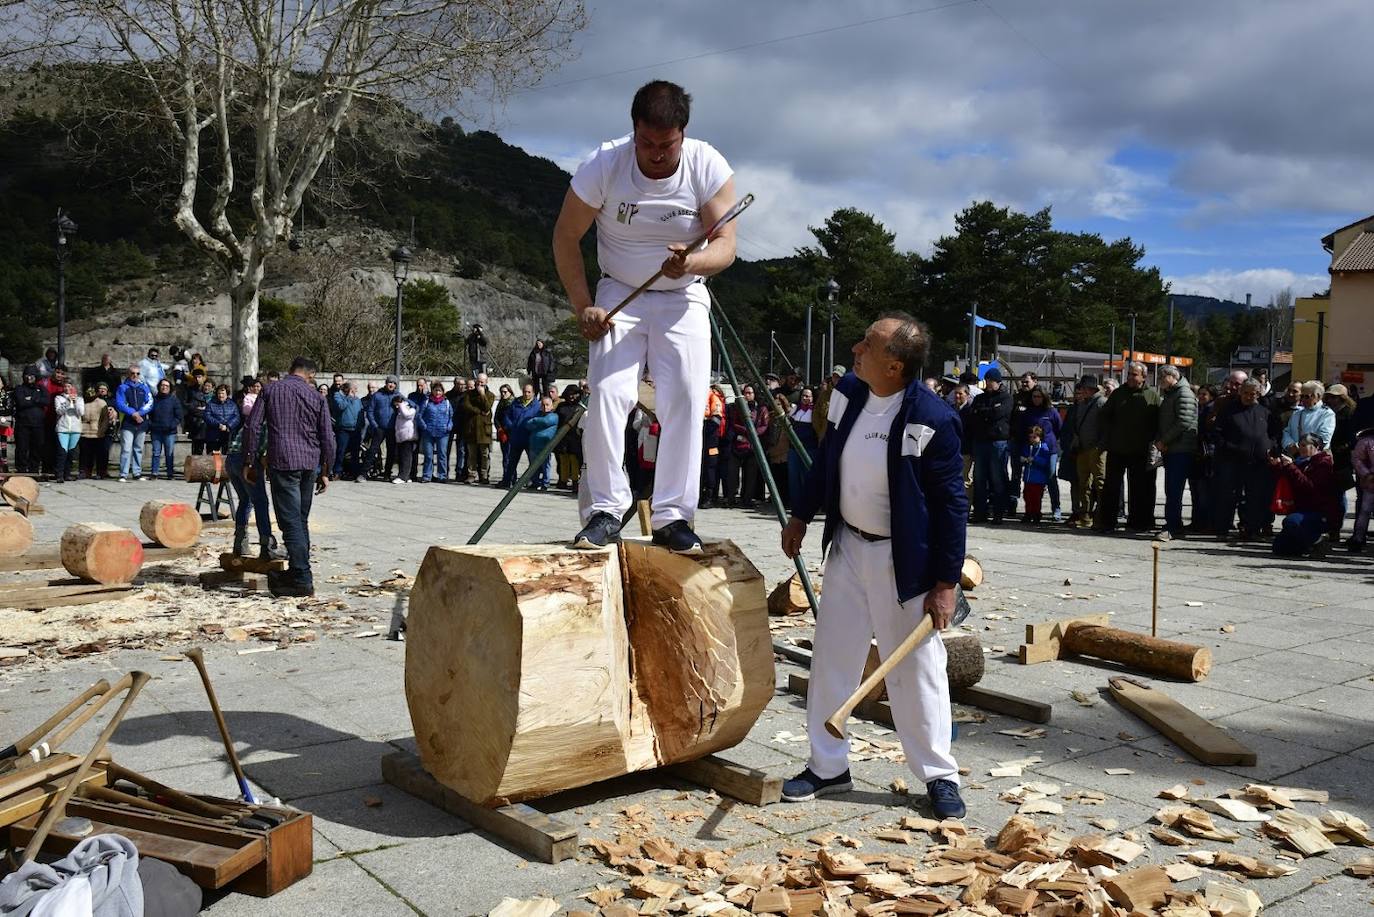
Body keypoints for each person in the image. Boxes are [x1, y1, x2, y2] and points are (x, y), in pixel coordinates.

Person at [779, 314, 966, 819]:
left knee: (917, 668)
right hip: (847, 549)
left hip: (902, 562)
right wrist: (800, 514)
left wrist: (945, 583)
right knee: (832, 657)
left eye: (869, 344)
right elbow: (826, 460)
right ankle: (827, 766)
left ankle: (938, 775)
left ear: (894, 364)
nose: (856, 348)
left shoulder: (934, 418)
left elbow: (952, 505)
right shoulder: (850, 393)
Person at [553, 79, 737, 554]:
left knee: (686, 399)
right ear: (634, 130)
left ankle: (673, 515)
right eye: (647, 143)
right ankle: (606, 510)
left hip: (683, 293)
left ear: (683, 134)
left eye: (666, 145)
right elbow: (564, 238)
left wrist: (690, 262)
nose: (655, 154)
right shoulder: (603, 164)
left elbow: (726, 247)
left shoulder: (706, 165)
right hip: (619, 293)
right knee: (610, 394)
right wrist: (583, 307)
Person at [244, 356, 335, 597]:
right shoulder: (317, 396)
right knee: (300, 520)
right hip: (309, 463)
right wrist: (326, 470)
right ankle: (298, 571)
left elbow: (252, 426)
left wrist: (250, 460)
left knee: (290, 522)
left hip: (283, 461)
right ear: (311, 374)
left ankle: (302, 578)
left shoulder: (271, 390)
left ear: (290, 369)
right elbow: (328, 435)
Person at [1095, 362, 1161, 533]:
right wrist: (1108, 436)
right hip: (1117, 449)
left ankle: (1138, 522)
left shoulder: (1152, 395)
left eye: (1134, 374)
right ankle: (1107, 522)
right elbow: (1104, 416)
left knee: (1140, 489)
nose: (1131, 377)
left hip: (1140, 451)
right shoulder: (1119, 393)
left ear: (1144, 377)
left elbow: (1157, 421)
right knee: (1111, 487)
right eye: (1129, 374)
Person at [1212, 379, 1278, 541]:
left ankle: (1251, 529)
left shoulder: (1265, 411)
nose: (1249, 396)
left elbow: (1274, 433)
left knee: (1254, 497)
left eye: (1253, 394)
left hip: (1258, 462)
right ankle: (1222, 529)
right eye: (1246, 393)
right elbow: (1217, 433)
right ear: (1241, 392)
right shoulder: (1229, 410)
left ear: (1258, 394)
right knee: (1228, 496)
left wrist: (1271, 447)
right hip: (1232, 460)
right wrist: (1229, 447)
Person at [1271, 434, 1340, 557]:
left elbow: (1309, 487)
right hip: (1301, 510)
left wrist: (1291, 467)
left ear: (1316, 447)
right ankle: (1308, 545)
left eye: (1304, 445)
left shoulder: (1324, 464)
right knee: (1280, 548)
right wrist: (1277, 465)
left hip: (1320, 512)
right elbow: (1288, 480)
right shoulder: (1301, 462)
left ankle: (1318, 542)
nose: (1300, 448)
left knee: (1291, 521)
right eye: (1299, 445)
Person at [1156, 366, 1198, 541]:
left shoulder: (1183, 394)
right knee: (1171, 489)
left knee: (1174, 490)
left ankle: (1172, 526)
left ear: (1172, 376)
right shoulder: (1173, 393)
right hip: (1173, 448)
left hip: (1180, 450)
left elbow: (1184, 421)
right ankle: (1175, 524)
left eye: (1161, 378)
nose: (1159, 382)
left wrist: (1164, 440)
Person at [967, 367, 1012, 524]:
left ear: (998, 382)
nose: (987, 384)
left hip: (997, 442)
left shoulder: (1006, 398)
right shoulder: (980, 398)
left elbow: (999, 414)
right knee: (979, 479)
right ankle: (980, 512)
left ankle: (998, 512)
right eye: (986, 381)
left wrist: (984, 412)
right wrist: (988, 411)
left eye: (990, 381)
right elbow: (973, 414)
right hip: (980, 442)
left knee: (997, 479)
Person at [1019, 385, 1063, 522]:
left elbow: (1058, 428)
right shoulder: (1028, 412)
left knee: (1050, 477)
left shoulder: (1051, 411)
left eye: (1039, 396)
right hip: (1032, 448)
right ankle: (1031, 511)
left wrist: (1050, 441)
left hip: (1049, 449)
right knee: (1031, 483)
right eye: (1034, 396)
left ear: (1044, 397)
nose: (1036, 399)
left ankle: (1056, 507)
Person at [499, 383, 540, 488]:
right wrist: (511, 426)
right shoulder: (516, 402)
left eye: (529, 392)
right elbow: (507, 416)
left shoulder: (537, 405)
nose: (526, 394)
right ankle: (507, 481)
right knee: (511, 462)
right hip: (516, 437)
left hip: (529, 438)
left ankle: (534, 482)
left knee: (533, 462)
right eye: (524, 392)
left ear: (533, 393)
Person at [787, 388, 819, 513]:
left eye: (808, 396)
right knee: (793, 478)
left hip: (809, 448)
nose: (806, 398)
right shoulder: (796, 410)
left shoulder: (814, 412)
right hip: (794, 448)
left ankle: (808, 505)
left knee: (806, 477)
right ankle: (795, 504)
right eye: (804, 396)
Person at [12, 366, 49, 474]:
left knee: (37, 448)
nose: (29, 378)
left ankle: (34, 469)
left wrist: (31, 399)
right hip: (23, 424)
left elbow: (46, 400)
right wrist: (37, 400)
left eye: (31, 375)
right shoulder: (19, 388)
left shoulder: (41, 388)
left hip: (38, 425)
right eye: (27, 375)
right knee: (22, 448)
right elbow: (21, 402)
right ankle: (21, 469)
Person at [1282, 382, 1335, 456]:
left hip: (1315, 459)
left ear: (1318, 396)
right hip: (1295, 457)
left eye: (1307, 396)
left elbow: (1324, 437)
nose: (1303, 399)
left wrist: (1298, 446)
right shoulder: (1297, 413)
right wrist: (1289, 445)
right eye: (1302, 396)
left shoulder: (1327, 414)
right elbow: (1287, 431)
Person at [364, 375, 401, 480]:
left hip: (392, 428)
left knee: (391, 452)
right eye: (390, 382)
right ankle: (363, 473)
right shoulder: (377, 395)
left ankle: (387, 474)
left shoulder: (398, 395)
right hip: (379, 427)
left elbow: (408, 403)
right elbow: (370, 411)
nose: (392, 385)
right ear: (386, 383)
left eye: (394, 383)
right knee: (372, 450)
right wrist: (374, 424)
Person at [462, 374, 497, 485]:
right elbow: (467, 406)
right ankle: (471, 474)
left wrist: (482, 394)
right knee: (472, 454)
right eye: (478, 382)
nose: (479, 384)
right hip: (472, 428)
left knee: (484, 454)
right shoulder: (469, 394)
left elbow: (487, 407)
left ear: (486, 382)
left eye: (482, 382)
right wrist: (479, 411)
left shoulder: (490, 395)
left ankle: (484, 475)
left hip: (484, 429)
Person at [148, 379, 184, 480]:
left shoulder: (174, 400)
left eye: (167, 386)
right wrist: (151, 425)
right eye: (162, 385)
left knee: (169, 453)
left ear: (170, 388)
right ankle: (154, 472)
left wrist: (171, 425)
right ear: (159, 387)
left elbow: (178, 416)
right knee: (156, 452)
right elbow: (149, 414)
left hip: (169, 432)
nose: (164, 387)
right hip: (156, 431)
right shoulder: (154, 400)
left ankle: (170, 473)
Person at [522, 395, 560, 490]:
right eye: (543, 405)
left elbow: (546, 421)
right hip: (534, 444)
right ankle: (535, 482)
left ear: (551, 406)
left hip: (545, 445)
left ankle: (545, 483)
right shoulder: (538, 414)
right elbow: (527, 424)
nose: (545, 407)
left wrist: (535, 421)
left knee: (545, 465)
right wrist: (536, 421)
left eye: (547, 405)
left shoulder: (554, 416)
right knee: (533, 465)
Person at [418, 381, 453, 483]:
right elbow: (419, 415)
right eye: (436, 390)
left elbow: (451, 416)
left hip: (443, 433)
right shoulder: (426, 402)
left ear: (442, 392)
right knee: (428, 455)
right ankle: (427, 475)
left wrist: (449, 426)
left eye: (439, 391)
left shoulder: (446, 402)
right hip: (428, 432)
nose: (437, 392)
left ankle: (442, 475)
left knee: (442, 455)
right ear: (432, 391)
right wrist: (424, 426)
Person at [79, 383, 115, 478]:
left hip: (97, 432)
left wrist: (102, 431)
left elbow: (105, 419)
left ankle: (101, 472)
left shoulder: (102, 403)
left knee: (100, 454)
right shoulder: (82, 402)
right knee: (85, 454)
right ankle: (85, 472)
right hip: (85, 431)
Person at [1348, 425, 1374, 553]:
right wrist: (1366, 474)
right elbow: (1357, 459)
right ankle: (1358, 538)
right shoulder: (1366, 441)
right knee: (1365, 511)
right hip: (1371, 482)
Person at [1019, 425, 1053, 523]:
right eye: (1030, 437)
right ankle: (1028, 513)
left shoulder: (1044, 448)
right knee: (1027, 496)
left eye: (1034, 437)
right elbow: (1023, 456)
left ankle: (1036, 514)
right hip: (1028, 478)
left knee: (1036, 497)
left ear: (1040, 437)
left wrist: (1035, 459)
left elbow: (1045, 462)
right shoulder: (1028, 447)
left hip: (1038, 479)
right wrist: (1023, 459)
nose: (1032, 439)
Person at [52, 382, 84, 483]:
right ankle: (59, 475)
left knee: (71, 453)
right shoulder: (59, 398)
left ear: (73, 387)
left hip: (75, 429)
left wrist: (74, 403)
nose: (67, 388)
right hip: (63, 429)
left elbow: (81, 412)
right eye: (65, 386)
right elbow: (59, 411)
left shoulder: (79, 399)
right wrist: (67, 402)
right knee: (62, 453)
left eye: (69, 386)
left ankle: (67, 474)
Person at [329, 382, 362, 478]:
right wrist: (348, 397)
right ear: (348, 389)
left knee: (355, 452)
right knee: (341, 451)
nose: (356, 391)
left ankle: (354, 472)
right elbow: (340, 407)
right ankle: (337, 471)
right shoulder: (337, 396)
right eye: (354, 388)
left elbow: (360, 411)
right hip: (344, 429)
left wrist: (361, 425)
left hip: (355, 429)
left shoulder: (357, 399)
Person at [554, 384, 584, 489]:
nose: (572, 396)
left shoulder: (580, 408)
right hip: (562, 437)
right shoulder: (561, 406)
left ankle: (575, 481)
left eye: (574, 394)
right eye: (570, 394)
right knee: (563, 459)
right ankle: (563, 480)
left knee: (574, 460)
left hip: (575, 437)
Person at [204, 384, 241, 454]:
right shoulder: (211, 404)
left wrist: (228, 426)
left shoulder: (232, 404)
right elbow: (207, 416)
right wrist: (218, 424)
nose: (221, 395)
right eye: (219, 393)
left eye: (223, 393)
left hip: (228, 435)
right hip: (213, 436)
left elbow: (237, 417)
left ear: (227, 394)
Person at [391, 395, 419, 485]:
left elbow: (407, 415)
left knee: (406, 457)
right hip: (401, 436)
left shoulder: (408, 408)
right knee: (402, 457)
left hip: (408, 436)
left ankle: (403, 476)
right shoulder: (400, 410)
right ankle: (406, 476)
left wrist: (401, 405)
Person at [187, 380, 213, 455]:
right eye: (206, 386)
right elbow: (192, 409)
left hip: (211, 428)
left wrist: (204, 409)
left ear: (212, 388)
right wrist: (207, 411)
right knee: (197, 451)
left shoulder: (215, 399)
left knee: (211, 452)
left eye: (209, 386)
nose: (207, 388)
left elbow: (216, 412)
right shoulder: (196, 395)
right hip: (198, 427)